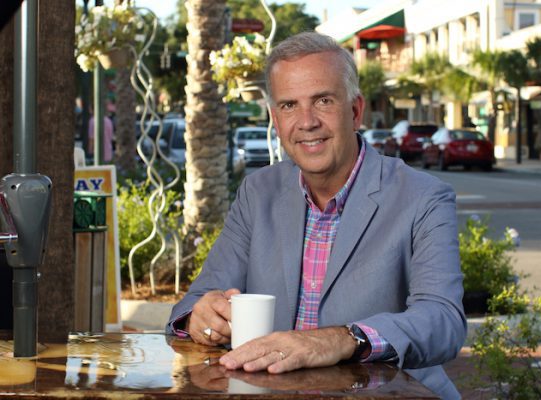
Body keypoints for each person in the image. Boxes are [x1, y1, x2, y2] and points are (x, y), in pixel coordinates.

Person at [167, 32, 466, 374]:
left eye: (323, 100)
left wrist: (342, 339)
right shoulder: (258, 192)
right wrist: (201, 317)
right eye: (289, 105)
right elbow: (193, 303)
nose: (307, 122)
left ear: (355, 111)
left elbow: (444, 321)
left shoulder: (424, 196)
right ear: (276, 121)